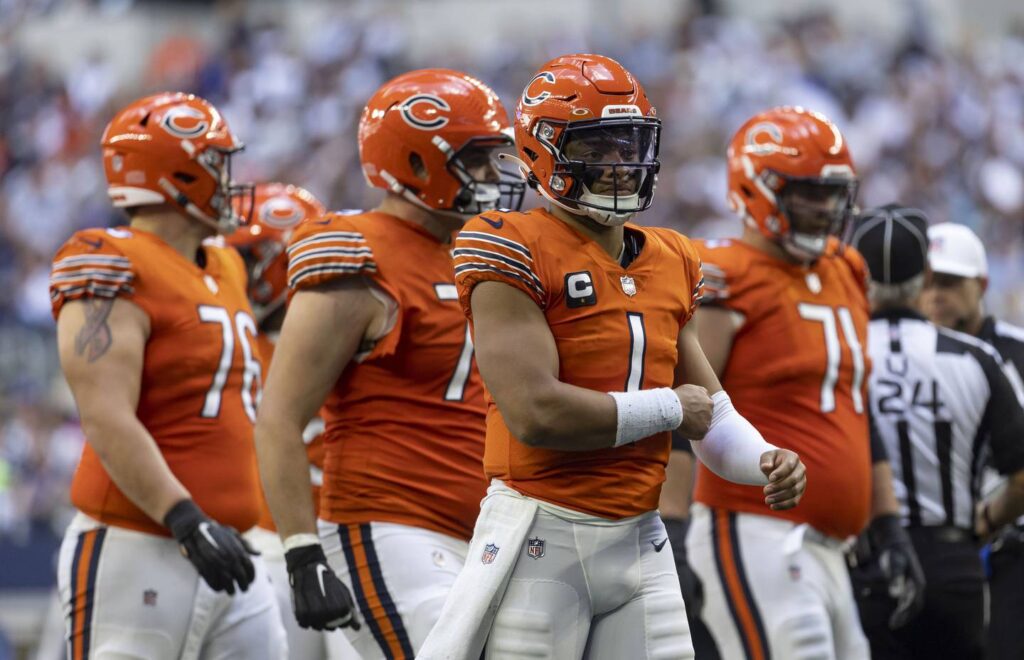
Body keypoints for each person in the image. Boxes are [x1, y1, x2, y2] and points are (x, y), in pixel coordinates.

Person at [419, 53, 806, 660]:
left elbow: (712, 414)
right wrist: (668, 409)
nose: (620, 164)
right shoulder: (510, 243)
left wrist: (766, 460)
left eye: (629, 144)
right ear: (543, 151)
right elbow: (535, 414)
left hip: (640, 536)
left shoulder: (673, 257)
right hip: (541, 529)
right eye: (595, 147)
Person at [254, 69, 526, 659]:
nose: (493, 175)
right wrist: (301, 550)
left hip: (484, 535)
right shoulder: (358, 253)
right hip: (389, 523)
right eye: (476, 159)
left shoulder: (479, 252)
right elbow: (279, 416)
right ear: (418, 163)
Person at [678, 107, 923, 660]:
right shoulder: (724, 274)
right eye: (809, 194)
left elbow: (854, 408)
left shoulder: (846, 267)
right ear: (757, 188)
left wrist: (888, 523)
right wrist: (672, 526)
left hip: (831, 546)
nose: (826, 210)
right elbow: (687, 413)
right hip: (752, 526)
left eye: (832, 195)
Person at [50, 92, 286, 659]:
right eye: (217, 166)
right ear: (177, 175)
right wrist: (184, 516)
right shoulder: (110, 259)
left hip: (232, 549)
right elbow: (105, 415)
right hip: (140, 541)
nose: (230, 182)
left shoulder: (225, 263)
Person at [848, 206, 1024, 658]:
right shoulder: (976, 359)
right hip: (954, 560)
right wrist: (984, 523)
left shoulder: (837, 355)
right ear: (923, 276)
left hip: (865, 561)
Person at [226, 182, 359, 660]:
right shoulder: (232, 337)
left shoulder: (358, 323)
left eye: (243, 260)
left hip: (354, 534)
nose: (230, 271)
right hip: (271, 541)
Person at [921, 221, 1024, 660]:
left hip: (1011, 545)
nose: (935, 295)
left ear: (981, 285)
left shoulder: (1017, 353)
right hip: (933, 546)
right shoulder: (905, 356)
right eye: (927, 283)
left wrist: (991, 517)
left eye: (948, 283)